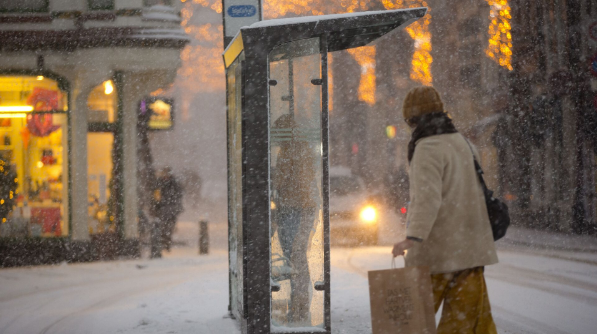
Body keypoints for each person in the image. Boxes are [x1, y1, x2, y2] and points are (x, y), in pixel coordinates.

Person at [391, 86, 499, 333]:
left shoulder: (427, 148)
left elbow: (427, 198)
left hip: (436, 253)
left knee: (412, 322)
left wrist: (412, 238)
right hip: (470, 251)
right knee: (462, 324)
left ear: (413, 118)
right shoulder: (463, 142)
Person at [271, 113, 318, 326]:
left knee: (294, 258)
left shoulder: (288, 153)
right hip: (305, 208)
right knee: (298, 257)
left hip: (293, 208)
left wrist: (271, 180)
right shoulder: (306, 150)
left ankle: (298, 307)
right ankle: (300, 305)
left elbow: (279, 180)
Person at [151, 167, 184, 255]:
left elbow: (179, 196)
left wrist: (176, 206)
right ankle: (164, 242)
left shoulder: (174, 184)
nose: (165, 176)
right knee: (162, 226)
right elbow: (155, 196)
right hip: (163, 208)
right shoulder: (160, 183)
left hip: (171, 209)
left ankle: (167, 243)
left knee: (169, 226)